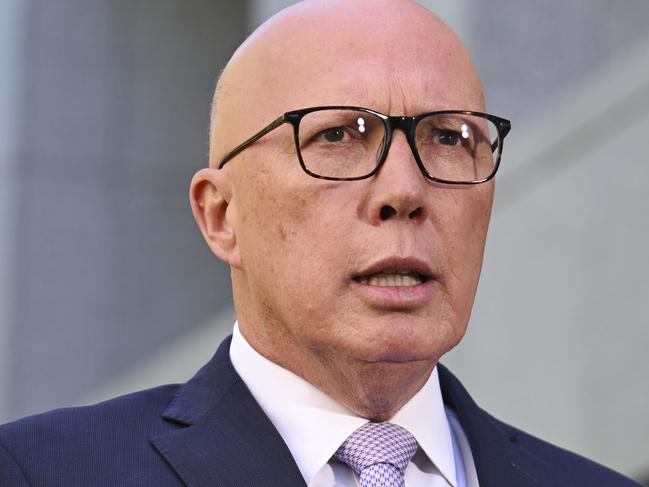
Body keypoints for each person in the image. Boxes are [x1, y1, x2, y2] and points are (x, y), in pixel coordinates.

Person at [0, 1, 642, 486]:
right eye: (338, 136)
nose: (404, 190)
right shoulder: (42, 471)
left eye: (450, 138)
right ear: (221, 215)